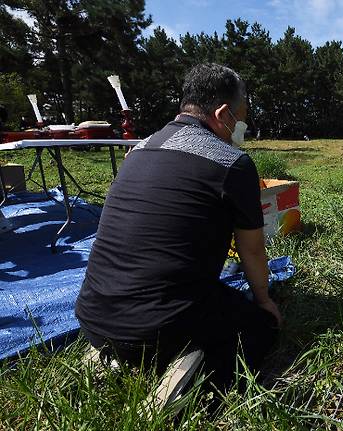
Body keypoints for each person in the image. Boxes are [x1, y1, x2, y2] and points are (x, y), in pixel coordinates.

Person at [75, 63, 281, 390]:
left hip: (93, 315)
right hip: (161, 326)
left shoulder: (138, 150)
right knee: (261, 327)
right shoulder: (232, 163)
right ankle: (187, 376)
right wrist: (264, 300)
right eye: (241, 117)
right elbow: (252, 248)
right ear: (224, 113)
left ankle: (112, 357)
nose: (242, 125)